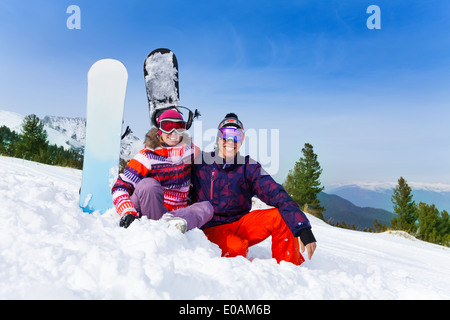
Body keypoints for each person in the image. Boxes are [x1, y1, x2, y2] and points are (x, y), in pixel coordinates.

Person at [190, 113, 317, 265]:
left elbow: (276, 193)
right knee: (237, 249)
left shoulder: (249, 166)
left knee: (282, 216)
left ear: (242, 141)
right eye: (226, 135)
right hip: (212, 227)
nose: (231, 141)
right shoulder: (201, 162)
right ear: (218, 137)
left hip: (241, 224)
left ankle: (289, 268)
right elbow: (174, 172)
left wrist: (302, 227)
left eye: (237, 136)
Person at [111, 107, 213, 231]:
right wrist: (127, 211)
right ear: (159, 130)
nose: (174, 133)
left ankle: (169, 223)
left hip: (174, 213)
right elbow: (119, 187)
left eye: (179, 127)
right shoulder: (147, 156)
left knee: (207, 207)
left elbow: (210, 160)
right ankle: (162, 226)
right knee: (149, 185)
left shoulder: (189, 150)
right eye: (168, 127)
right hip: (146, 207)